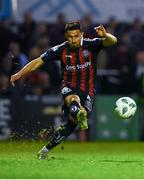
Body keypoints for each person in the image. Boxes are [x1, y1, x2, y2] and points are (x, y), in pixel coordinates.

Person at [10, 21, 117, 160]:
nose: (73, 40)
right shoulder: (60, 49)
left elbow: (113, 41)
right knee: (73, 98)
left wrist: (105, 35)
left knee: (72, 123)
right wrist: (20, 73)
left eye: (76, 36)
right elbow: (38, 61)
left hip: (88, 88)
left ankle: (46, 149)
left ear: (82, 35)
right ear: (66, 36)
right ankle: (77, 109)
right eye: (70, 36)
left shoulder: (91, 45)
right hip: (69, 85)